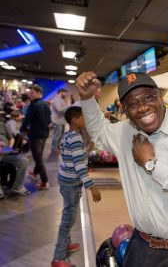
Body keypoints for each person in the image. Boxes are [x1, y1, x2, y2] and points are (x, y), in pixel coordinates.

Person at [76, 71, 168, 267]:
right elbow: (99, 131)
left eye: (148, 98)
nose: (143, 107)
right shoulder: (124, 132)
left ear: (159, 97)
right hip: (140, 246)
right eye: (133, 104)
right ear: (125, 111)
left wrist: (153, 165)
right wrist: (87, 98)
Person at [52, 106, 101, 267]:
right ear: (75, 120)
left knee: (69, 213)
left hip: (65, 179)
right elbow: (79, 167)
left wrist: (88, 149)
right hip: (71, 183)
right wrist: (92, 186)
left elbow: (72, 156)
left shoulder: (69, 135)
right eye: (83, 117)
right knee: (68, 219)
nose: (85, 120)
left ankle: (66, 244)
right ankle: (58, 258)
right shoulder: (76, 138)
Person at [20, 85, 51, 190]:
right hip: (45, 134)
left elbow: (26, 119)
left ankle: (45, 182)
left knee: (38, 159)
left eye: (32, 93)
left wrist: (22, 131)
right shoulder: (46, 104)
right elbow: (49, 121)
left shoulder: (33, 105)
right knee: (39, 156)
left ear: (39, 93)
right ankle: (34, 172)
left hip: (35, 135)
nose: (30, 95)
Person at [0, 121, 30, 196]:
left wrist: (9, 148)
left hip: (6, 152)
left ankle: (17, 186)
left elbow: (11, 139)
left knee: (24, 161)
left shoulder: (2, 124)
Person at [49, 88, 69, 159]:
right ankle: (53, 150)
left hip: (62, 121)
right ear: (61, 92)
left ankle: (57, 149)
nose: (66, 95)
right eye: (65, 93)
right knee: (56, 136)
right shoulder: (57, 99)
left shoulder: (62, 100)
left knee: (60, 136)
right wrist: (68, 105)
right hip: (57, 121)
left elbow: (64, 109)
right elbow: (60, 109)